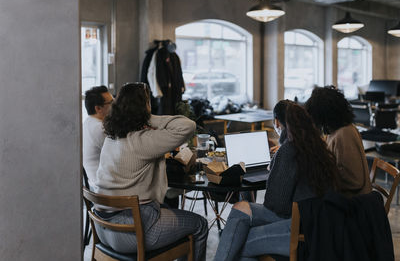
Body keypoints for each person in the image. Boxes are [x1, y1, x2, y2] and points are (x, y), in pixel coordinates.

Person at [94, 83, 208, 261]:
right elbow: (188, 125)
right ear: (144, 107)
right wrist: (148, 117)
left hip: (103, 228)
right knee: (200, 224)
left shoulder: (111, 137)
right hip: (130, 233)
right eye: (148, 103)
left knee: (165, 209)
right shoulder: (143, 141)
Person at [214, 100, 338, 261]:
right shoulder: (316, 147)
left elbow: (275, 205)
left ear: (277, 123)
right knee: (241, 209)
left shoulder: (288, 151)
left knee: (236, 242)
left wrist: (275, 165)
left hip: (300, 231)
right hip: (320, 224)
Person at [305, 86, 372, 197]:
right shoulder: (335, 131)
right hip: (343, 199)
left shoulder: (344, 134)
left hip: (353, 205)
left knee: (304, 204)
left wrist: (322, 174)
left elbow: (354, 180)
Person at [82, 85, 113, 188]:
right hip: (105, 190)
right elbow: (122, 154)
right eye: (111, 103)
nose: (115, 105)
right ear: (98, 108)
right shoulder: (100, 128)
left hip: (96, 184)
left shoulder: (88, 122)